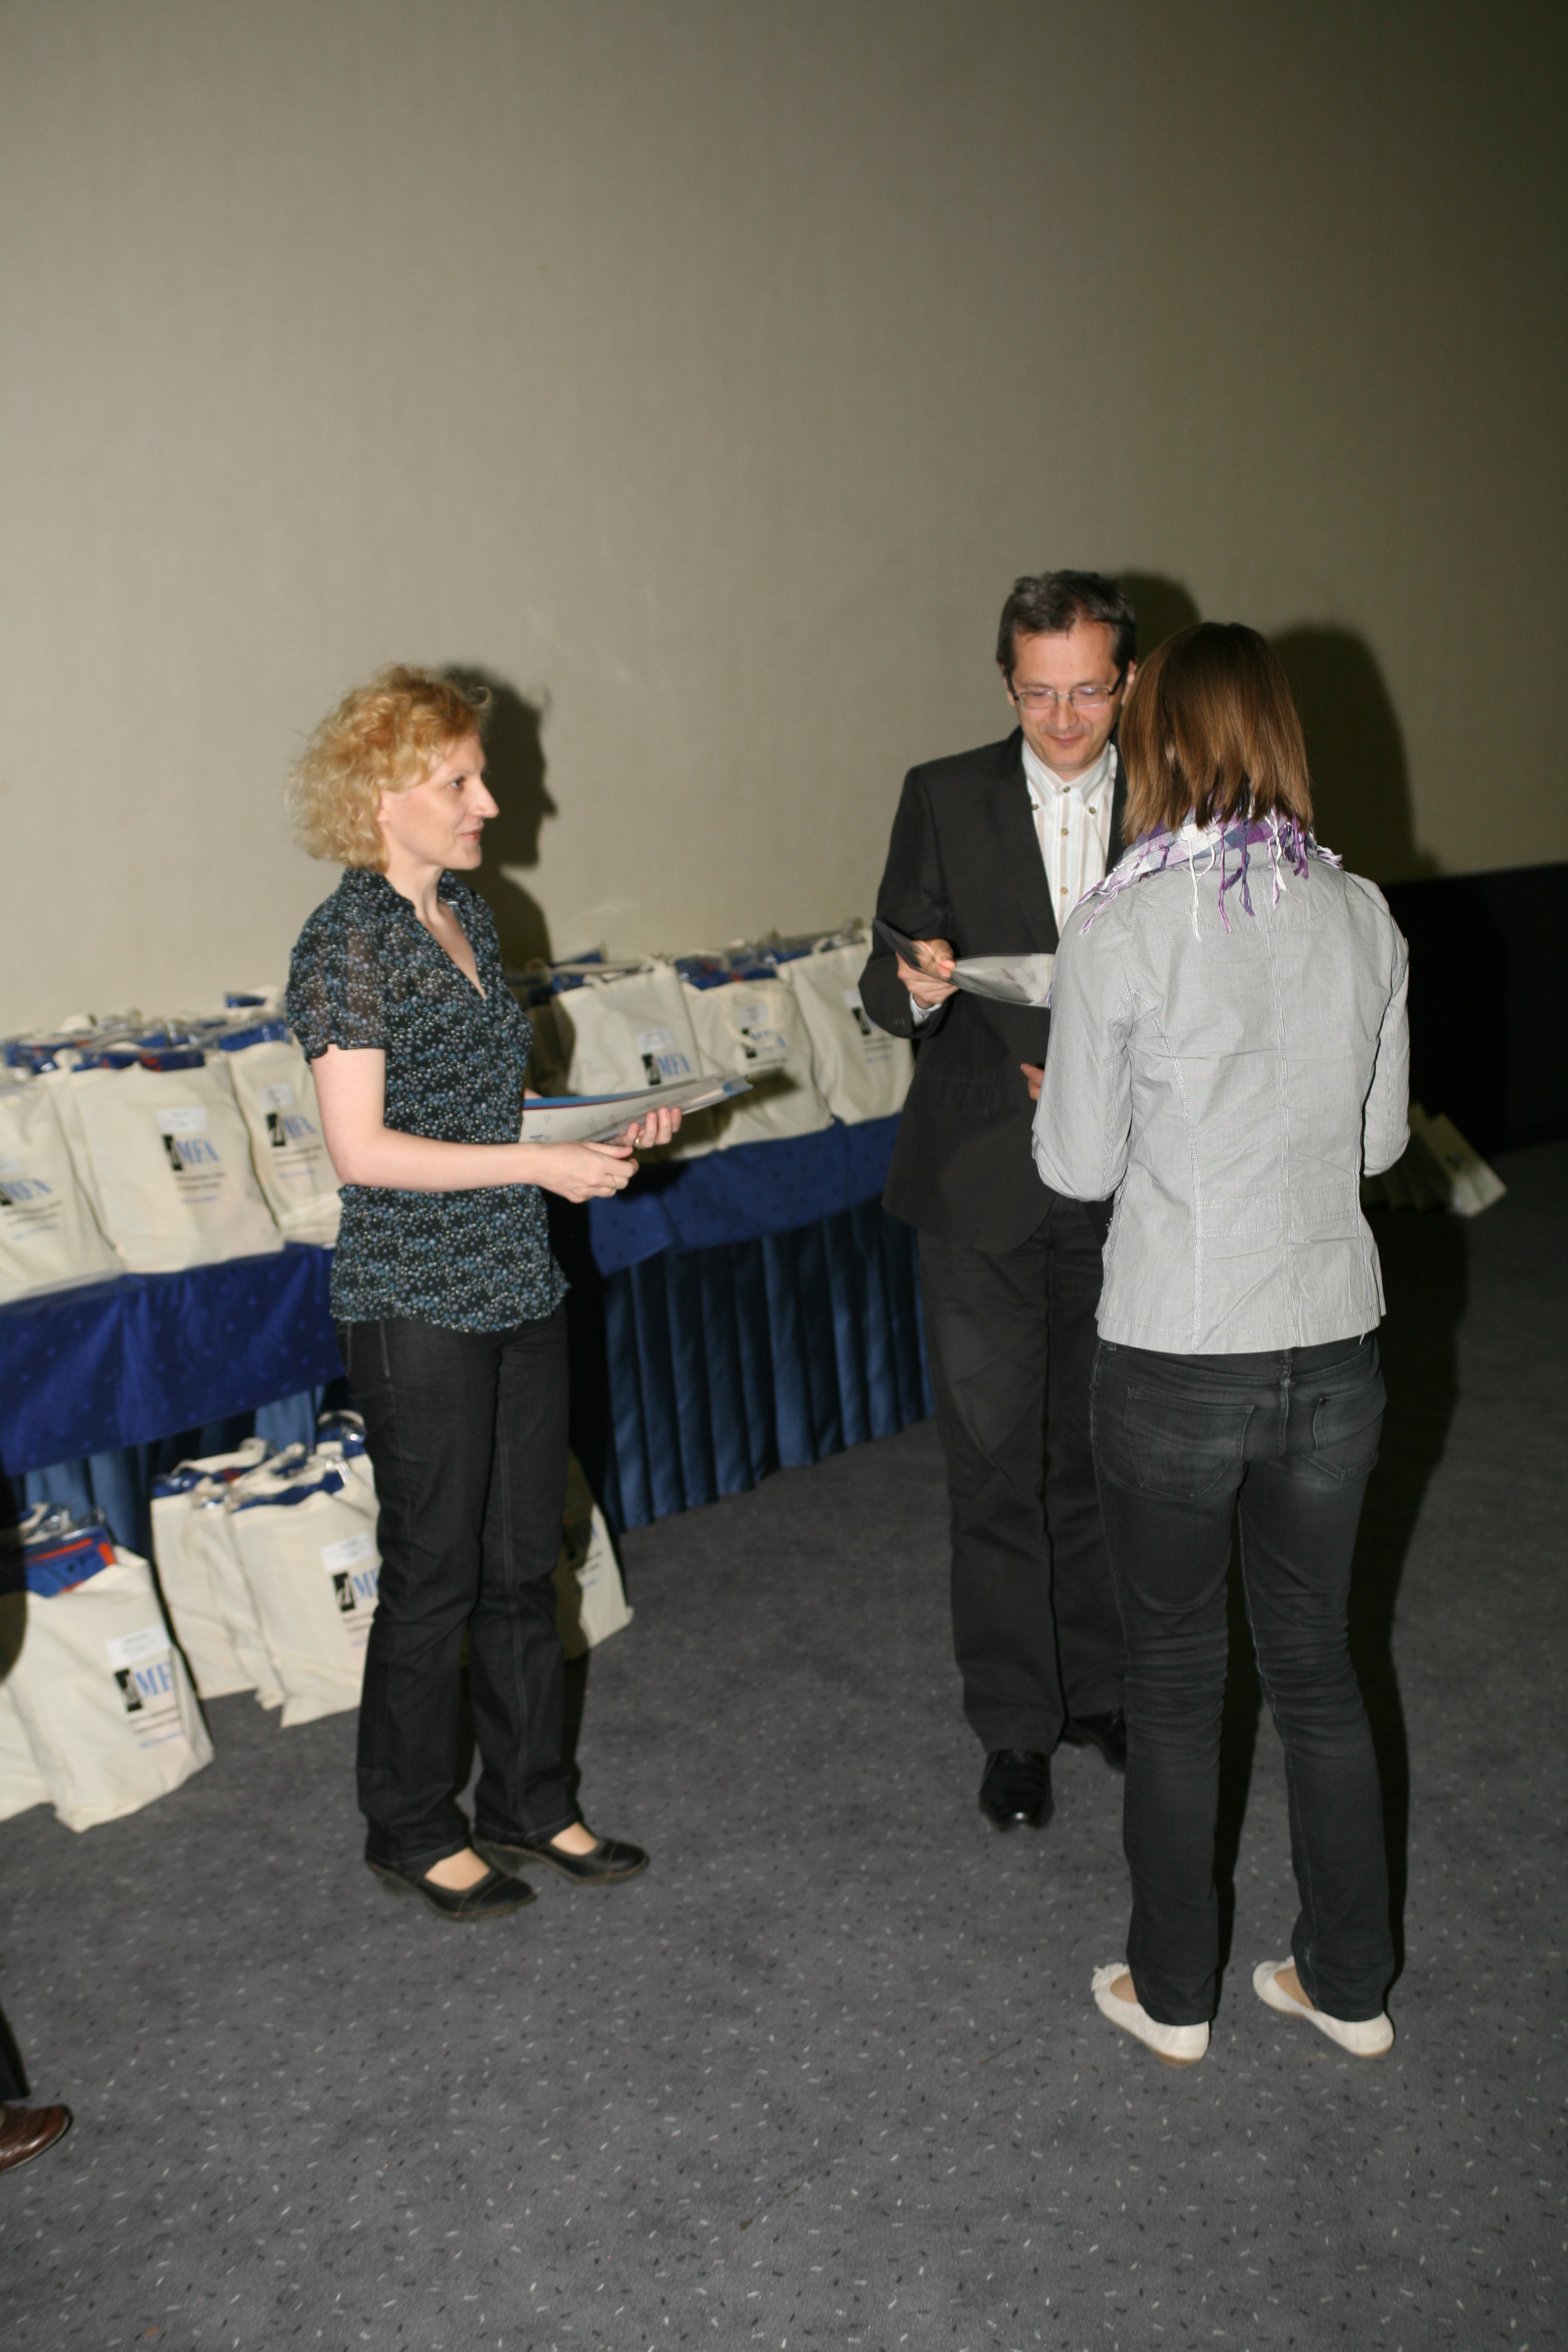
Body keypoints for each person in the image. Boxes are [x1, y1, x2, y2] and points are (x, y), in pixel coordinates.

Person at [1032, 622, 1409, 2066]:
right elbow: (1378, 1144)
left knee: (1180, 1687)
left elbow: (1076, 1168)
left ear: (1158, 742)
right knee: (1320, 1671)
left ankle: (1176, 1995)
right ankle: (1350, 1987)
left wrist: (1082, 1097)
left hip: (1179, 1357)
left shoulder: (1120, 924)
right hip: (1334, 1347)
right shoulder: (1363, 914)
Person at [286, 665, 677, 1923]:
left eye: (479, 776)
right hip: (414, 1295)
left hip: (516, 1272)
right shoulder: (344, 943)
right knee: (435, 1573)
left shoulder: (467, 912)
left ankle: (527, 1801)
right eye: (457, 781)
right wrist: (536, 1164)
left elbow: (482, 1106)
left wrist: (600, 1128)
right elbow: (363, 1152)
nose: (488, 803)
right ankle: (408, 1825)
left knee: (523, 1562)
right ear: (379, 794)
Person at [859, 572, 1135, 1832]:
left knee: (1103, 1453)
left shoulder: (1178, 794)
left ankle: (1103, 1689)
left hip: (1129, 1175)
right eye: (1036, 694)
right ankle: (1017, 1723)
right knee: (990, 1465)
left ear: (1126, 681)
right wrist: (916, 985)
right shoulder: (943, 792)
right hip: (979, 1175)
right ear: (1006, 681)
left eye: (1087, 692)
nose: (1062, 720)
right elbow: (885, 978)